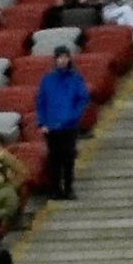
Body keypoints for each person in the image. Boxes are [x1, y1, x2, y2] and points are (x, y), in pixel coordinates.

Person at [34, 45, 92, 201]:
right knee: (54, 159)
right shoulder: (47, 79)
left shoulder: (75, 78)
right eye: (59, 57)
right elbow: (41, 102)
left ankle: (68, 188)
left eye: (65, 57)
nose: (62, 60)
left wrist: (73, 116)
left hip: (69, 126)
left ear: (69, 59)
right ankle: (55, 189)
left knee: (68, 158)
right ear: (55, 59)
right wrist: (42, 123)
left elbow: (82, 99)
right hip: (51, 126)